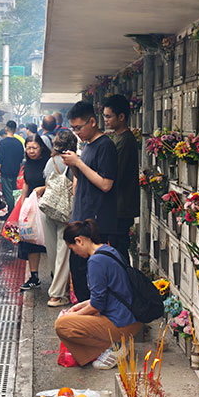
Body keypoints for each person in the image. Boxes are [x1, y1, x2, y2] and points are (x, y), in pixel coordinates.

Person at [53, 219, 143, 369]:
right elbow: (104, 294)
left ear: (79, 241)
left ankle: (115, 347)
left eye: (72, 248)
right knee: (71, 316)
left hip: (121, 323)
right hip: (131, 319)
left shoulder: (95, 262)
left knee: (62, 326)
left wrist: (71, 316)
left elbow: (97, 305)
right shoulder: (108, 250)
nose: (75, 253)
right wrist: (80, 306)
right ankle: (114, 345)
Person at [62, 101, 118, 302]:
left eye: (79, 127)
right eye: (73, 128)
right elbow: (86, 177)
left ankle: (91, 313)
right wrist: (74, 165)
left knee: (88, 272)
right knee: (77, 271)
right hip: (82, 215)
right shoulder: (87, 145)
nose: (76, 132)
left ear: (92, 121)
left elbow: (105, 184)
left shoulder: (105, 146)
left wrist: (78, 163)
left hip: (95, 221)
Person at [31, 130, 77, 306]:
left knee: (52, 251)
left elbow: (48, 182)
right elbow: (74, 186)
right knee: (63, 253)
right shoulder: (72, 162)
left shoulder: (50, 161)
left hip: (48, 209)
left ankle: (58, 290)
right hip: (65, 211)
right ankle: (57, 295)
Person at [102, 95, 139, 263]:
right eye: (104, 116)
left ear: (121, 117)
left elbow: (117, 174)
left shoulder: (125, 141)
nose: (105, 120)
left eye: (109, 116)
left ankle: (123, 286)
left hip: (121, 207)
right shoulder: (118, 138)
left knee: (119, 251)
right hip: (116, 206)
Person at [17, 134, 53, 290]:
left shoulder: (48, 163)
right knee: (30, 240)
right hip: (31, 207)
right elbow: (26, 182)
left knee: (49, 241)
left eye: (34, 148)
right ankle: (34, 276)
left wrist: (43, 188)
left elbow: (53, 182)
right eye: (28, 147)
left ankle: (55, 274)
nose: (31, 151)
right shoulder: (27, 163)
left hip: (46, 206)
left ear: (41, 148)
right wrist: (22, 202)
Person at [0, 121, 25, 220]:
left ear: (6, 129)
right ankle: (15, 212)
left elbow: (0, 158)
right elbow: (21, 158)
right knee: (14, 191)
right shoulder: (19, 143)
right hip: (16, 171)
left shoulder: (3, 143)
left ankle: (11, 213)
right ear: (15, 130)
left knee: (8, 193)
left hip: (5, 171)